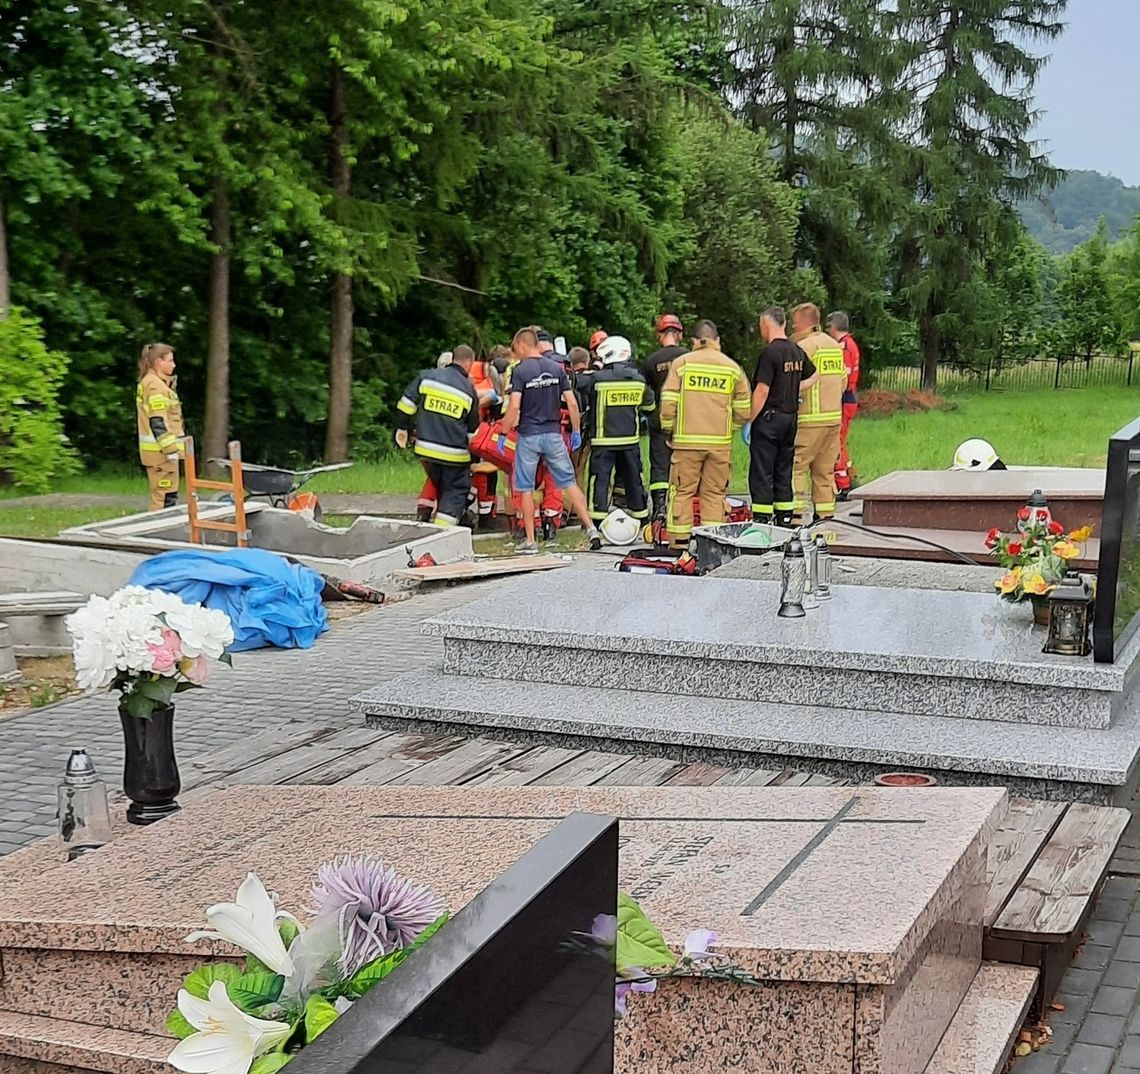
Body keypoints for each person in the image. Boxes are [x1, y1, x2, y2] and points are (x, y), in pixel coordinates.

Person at [502, 326, 600, 553]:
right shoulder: (556, 369)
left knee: (525, 488)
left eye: (516, 349)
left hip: (528, 436)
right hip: (553, 435)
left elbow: (515, 405)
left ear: (523, 345)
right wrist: (575, 431)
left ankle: (530, 541)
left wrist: (503, 431)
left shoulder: (520, 371)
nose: (516, 354)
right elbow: (572, 403)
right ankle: (591, 528)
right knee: (568, 482)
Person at [659, 319, 751, 550]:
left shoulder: (682, 364)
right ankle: (712, 546)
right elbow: (744, 409)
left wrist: (669, 430)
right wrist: (728, 429)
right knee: (714, 494)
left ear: (694, 341)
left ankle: (679, 546)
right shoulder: (731, 368)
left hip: (686, 443)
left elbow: (668, 403)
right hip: (719, 444)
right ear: (717, 340)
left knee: (682, 493)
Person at [746, 308, 817, 527]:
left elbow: (762, 391)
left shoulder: (770, 353)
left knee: (762, 470)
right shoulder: (795, 350)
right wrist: (794, 389)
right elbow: (814, 376)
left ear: (766, 324)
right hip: (790, 419)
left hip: (769, 419)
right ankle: (784, 519)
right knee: (783, 470)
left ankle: (762, 520)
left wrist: (749, 420)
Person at [395, 346, 480, 527]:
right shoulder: (468, 390)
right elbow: (473, 433)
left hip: (426, 450)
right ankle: (442, 531)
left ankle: (437, 525)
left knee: (442, 487)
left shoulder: (427, 377)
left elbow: (406, 404)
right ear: (468, 363)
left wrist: (403, 428)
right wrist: (474, 460)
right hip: (455, 454)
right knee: (456, 489)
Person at [581, 335, 655, 525]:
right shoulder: (638, 380)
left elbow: (583, 391)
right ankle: (641, 517)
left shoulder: (597, 379)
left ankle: (597, 520)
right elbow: (649, 407)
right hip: (629, 441)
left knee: (599, 480)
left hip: (603, 441)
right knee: (634, 479)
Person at [790, 303, 846, 524]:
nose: (793, 327)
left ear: (804, 322)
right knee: (824, 471)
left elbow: (793, 382)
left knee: (796, 468)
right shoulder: (834, 346)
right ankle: (825, 516)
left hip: (808, 420)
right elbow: (843, 380)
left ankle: (795, 517)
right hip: (833, 419)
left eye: (794, 323)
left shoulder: (804, 347)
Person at [642, 313, 688, 521]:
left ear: (660, 334)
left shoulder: (651, 361)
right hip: (687, 419)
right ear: (678, 333)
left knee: (660, 464)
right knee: (687, 464)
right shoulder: (689, 358)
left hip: (660, 419)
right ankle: (684, 507)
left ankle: (660, 508)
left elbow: (646, 392)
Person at [136, 342, 185, 511]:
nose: (174, 365)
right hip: (161, 455)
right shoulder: (155, 385)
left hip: (162, 454)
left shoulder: (158, 383)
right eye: (170, 361)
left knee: (168, 497)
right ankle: (155, 533)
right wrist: (171, 450)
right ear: (159, 362)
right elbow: (158, 422)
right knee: (163, 500)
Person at [826, 311, 860, 497]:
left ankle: (843, 483)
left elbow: (843, 377)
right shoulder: (847, 344)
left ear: (833, 327)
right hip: (848, 398)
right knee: (839, 441)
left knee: (837, 441)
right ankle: (845, 478)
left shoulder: (844, 347)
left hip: (844, 398)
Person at [568, 346, 595, 486]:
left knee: (570, 469)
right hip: (590, 431)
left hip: (570, 430)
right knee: (581, 469)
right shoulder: (595, 378)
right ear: (587, 361)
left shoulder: (569, 381)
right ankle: (579, 504)